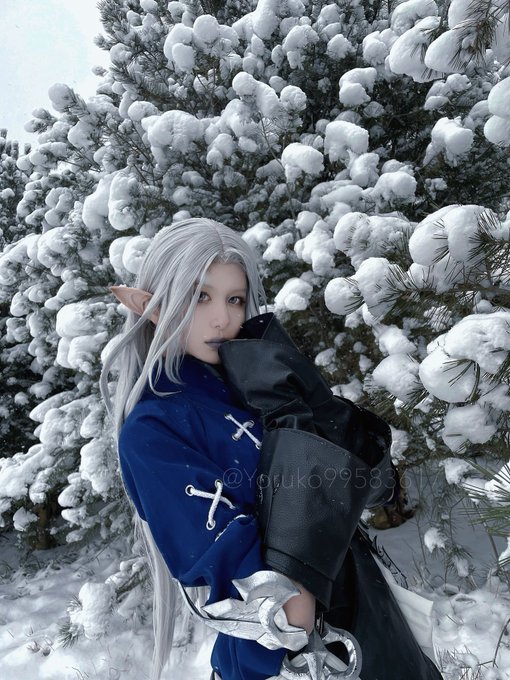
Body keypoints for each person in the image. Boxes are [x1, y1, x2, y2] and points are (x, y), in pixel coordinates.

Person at [100, 218, 442, 680]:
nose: (222, 319)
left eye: (234, 299)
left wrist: (304, 399)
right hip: (287, 659)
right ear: (155, 307)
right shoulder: (153, 430)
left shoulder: (254, 380)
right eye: (200, 296)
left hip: (369, 614)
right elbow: (276, 602)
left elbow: (375, 483)